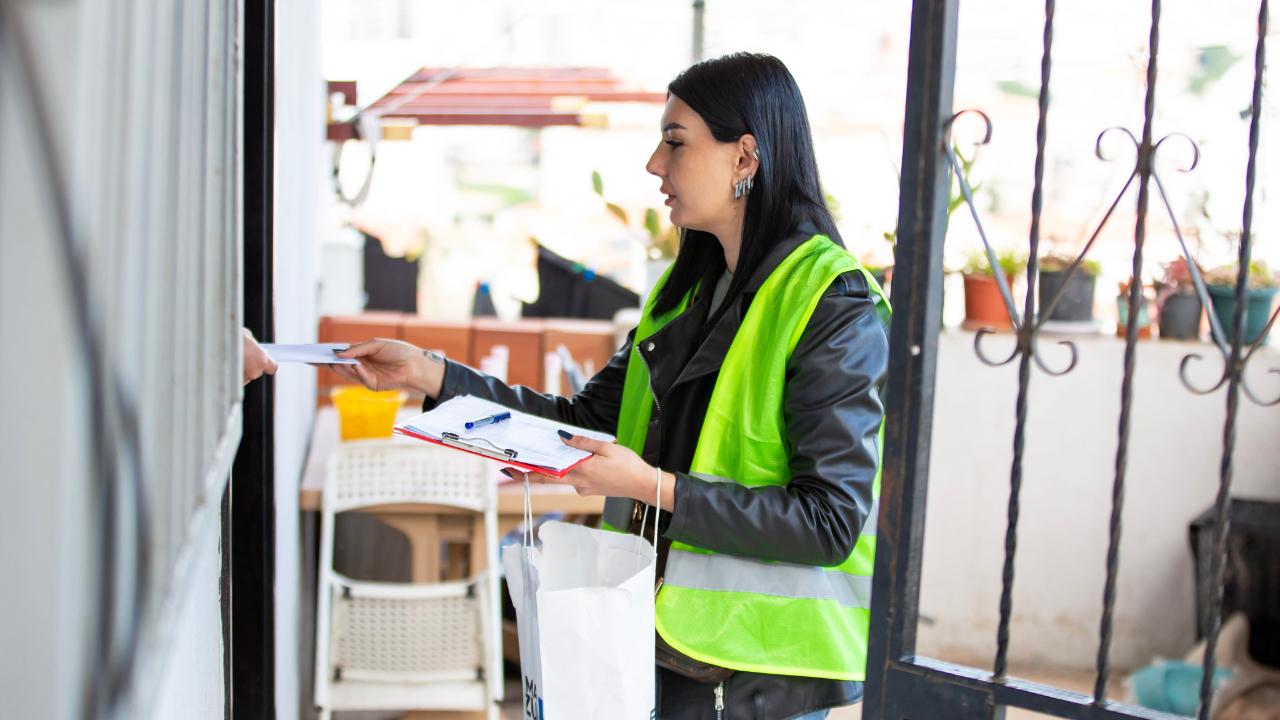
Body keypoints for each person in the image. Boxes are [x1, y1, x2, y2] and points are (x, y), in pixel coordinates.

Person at [332, 52, 889, 720]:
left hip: (757, 675)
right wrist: (429, 374)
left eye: (675, 143)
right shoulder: (683, 295)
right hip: (654, 641)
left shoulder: (833, 302)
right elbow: (580, 421)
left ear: (746, 158)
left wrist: (648, 486)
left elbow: (827, 522)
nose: (655, 165)